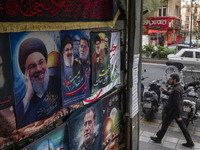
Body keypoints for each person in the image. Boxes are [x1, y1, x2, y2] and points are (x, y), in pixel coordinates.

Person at [16, 37, 60, 129]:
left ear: (46, 62)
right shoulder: (25, 102)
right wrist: (28, 96)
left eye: (41, 62)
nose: (39, 69)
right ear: (26, 72)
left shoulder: (58, 82)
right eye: (32, 66)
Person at [150, 74, 194, 148]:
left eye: (170, 79)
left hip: (173, 111)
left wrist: (179, 115)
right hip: (174, 111)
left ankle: (159, 138)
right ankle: (189, 141)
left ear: (175, 80)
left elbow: (177, 103)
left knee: (167, 125)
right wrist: (164, 91)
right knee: (169, 125)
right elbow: (172, 95)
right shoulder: (179, 87)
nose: (169, 80)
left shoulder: (176, 89)